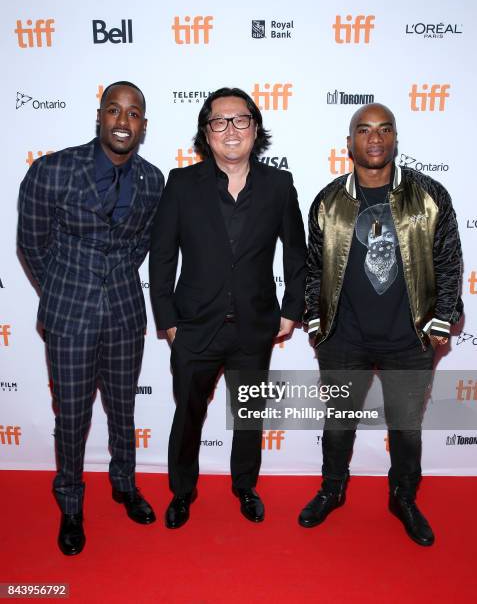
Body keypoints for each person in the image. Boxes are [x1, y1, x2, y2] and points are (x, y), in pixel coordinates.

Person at [299, 103, 463, 546]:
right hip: (343, 337)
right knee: (338, 422)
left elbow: (449, 264)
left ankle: (403, 497)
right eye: (363, 130)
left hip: (409, 338)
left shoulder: (429, 195)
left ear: (394, 139)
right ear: (348, 142)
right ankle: (332, 490)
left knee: (406, 427)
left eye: (384, 129)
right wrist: (317, 323)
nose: (374, 138)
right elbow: (312, 268)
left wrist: (439, 324)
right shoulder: (329, 201)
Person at [149, 87, 306, 528]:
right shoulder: (181, 184)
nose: (231, 130)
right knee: (188, 415)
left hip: (255, 327)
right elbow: (162, 257)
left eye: (240, 120)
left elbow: (296, 252)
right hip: (194, 327)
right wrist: (168, 322)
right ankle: (182, 492)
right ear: (206, 133)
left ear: (256, 129)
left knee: (249, 417)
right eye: (219, 121)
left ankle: (245, 486)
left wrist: (291, 311)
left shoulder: (279, 185)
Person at [18, 81, 164, 555]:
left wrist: (111, 282)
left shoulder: (153, 180)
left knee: (123, 409)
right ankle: (71, 504)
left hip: (125, 312)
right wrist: (63, 290)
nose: (124, 122)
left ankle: (124, 485)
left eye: (134, 114)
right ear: (99, 116)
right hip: (69, 316)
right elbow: (32, 245)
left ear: (143, 124)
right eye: (115, 111)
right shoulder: (52, 171)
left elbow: (140, 245)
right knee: (73, 416)